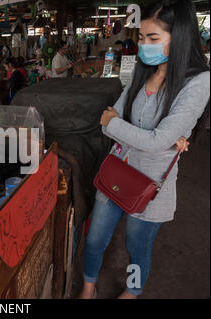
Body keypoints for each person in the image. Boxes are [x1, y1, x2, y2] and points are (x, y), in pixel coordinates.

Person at [78, 0, 210, 299]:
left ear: (181, 40)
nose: (144, 46)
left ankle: (131, 292)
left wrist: (125, 128)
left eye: (153, 39)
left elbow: (152, 141)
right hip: (117, 170)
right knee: (95, 238)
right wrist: (149, 135)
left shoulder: (198, 82)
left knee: (137, 249)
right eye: (141, 38)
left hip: (151, 187)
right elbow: (106, 123)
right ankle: (89, 286)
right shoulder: (143, 71)